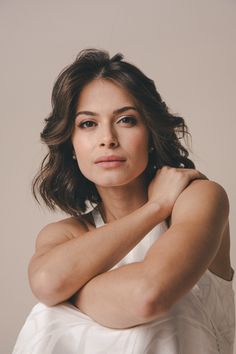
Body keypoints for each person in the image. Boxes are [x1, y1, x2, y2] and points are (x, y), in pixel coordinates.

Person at [13, 48, 235, 354]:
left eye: (126, 120)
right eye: (88, 124)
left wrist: (71, 291)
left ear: (151, 134)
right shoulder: (64, 234)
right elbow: (47, 282)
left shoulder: (199, 198)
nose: (108, 138)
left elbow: (148, 295)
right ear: (72, 145)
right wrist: (154, 208)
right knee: (47, 311)